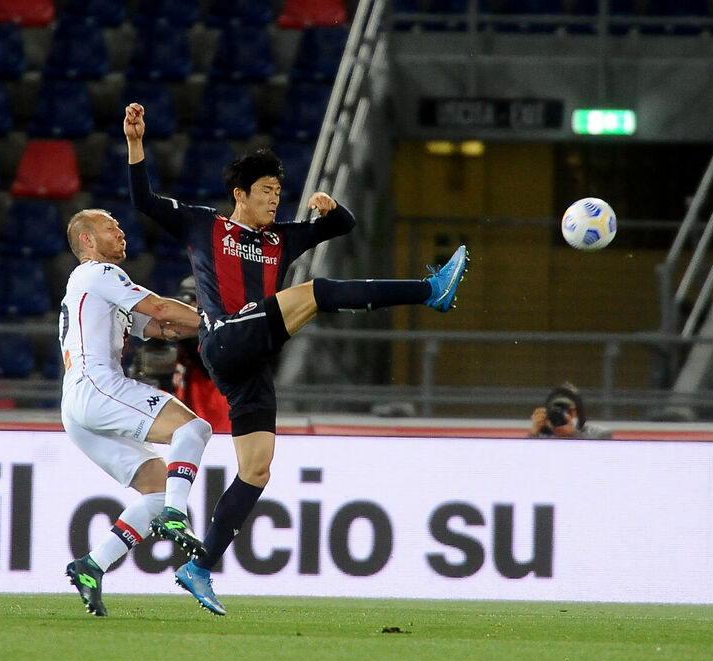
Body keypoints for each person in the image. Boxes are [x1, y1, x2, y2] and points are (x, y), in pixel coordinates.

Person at [125, 102, 468, 615]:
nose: (273, 199)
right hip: (222, 339)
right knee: (315, 291)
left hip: (252, 360)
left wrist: (331, 209)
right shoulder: (204, 226)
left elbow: (344, 226)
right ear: (239, 195)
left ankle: (198, 567)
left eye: (278, 192)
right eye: (265, 191)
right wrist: (135, 143)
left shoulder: (280, 239)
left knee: (257, 469)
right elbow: (144, 201)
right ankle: (429, 290)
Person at [60, 208, 214, 617]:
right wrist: (216, 320)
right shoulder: (100, 273)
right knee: (193, 429)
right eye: (112, 228)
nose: (122, 234)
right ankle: (176, 518)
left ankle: (92, 565)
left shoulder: (96, 287)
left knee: (157, 487)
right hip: (96, 385)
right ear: (88, 241)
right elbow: (163, 310)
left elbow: (161, 328)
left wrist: (212, 326)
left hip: (76, 406)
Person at [171, 276, 232, 434]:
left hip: (219, 423)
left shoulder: (220, 334)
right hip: (192, 420)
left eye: (195, 304)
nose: (190, 308)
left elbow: (206, 363)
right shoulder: (185, 332)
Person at [528, 382, 613, 439]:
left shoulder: (600, 433)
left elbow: (597, 458)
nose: (562, 413)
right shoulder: (542, 436)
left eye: (568, 410)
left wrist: (573, 434)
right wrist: (533, 434)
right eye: (557, 409)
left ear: (578, 411)